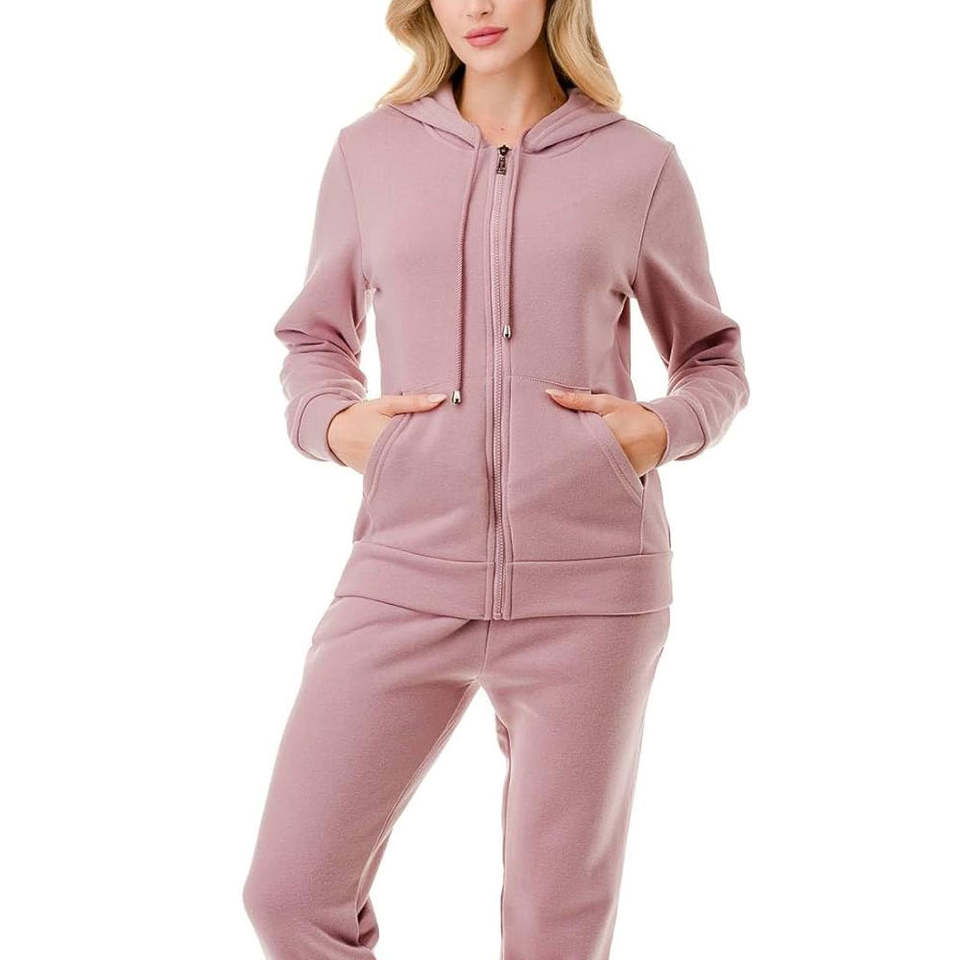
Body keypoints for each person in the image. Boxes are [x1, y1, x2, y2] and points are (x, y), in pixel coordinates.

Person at [243, 1, 749, 957]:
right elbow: (314, 336)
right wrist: (336, 424)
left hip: (592, 590)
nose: (477, 5)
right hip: (403, 570)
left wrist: (659, 430)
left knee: (555, 931)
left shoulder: (638, 164)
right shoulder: (369, 153)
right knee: (290, 893)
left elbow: (712, 357)